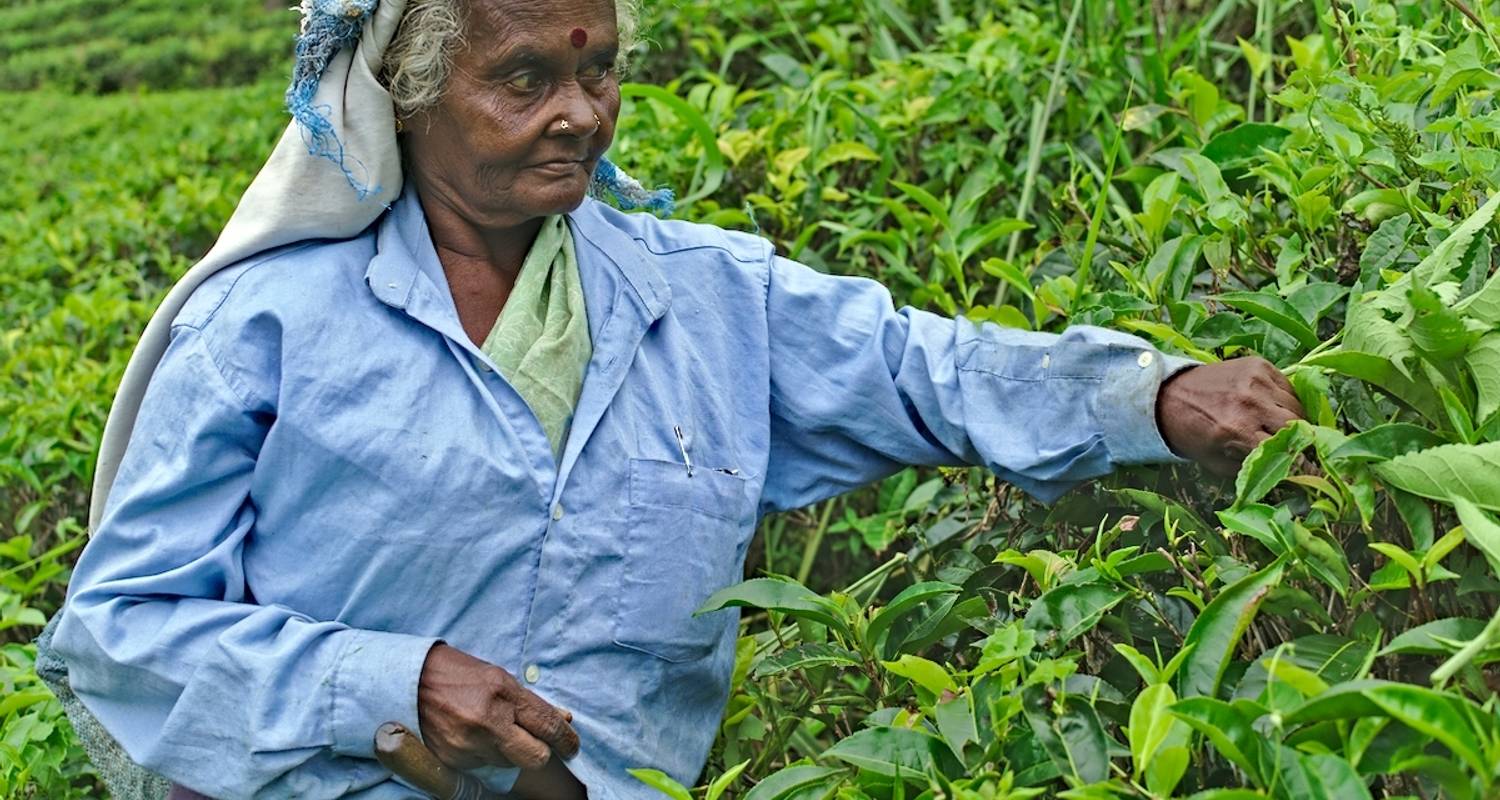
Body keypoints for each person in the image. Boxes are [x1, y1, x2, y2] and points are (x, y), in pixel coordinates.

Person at [44, 0, 1306, 798]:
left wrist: (1156, 393)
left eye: (596, 74)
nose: (580, 116)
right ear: (413, 93)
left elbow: (929, 368)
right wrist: (388, 683)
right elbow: (121, 630)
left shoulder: (709, 298)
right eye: (523, 78)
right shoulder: (266, 328)